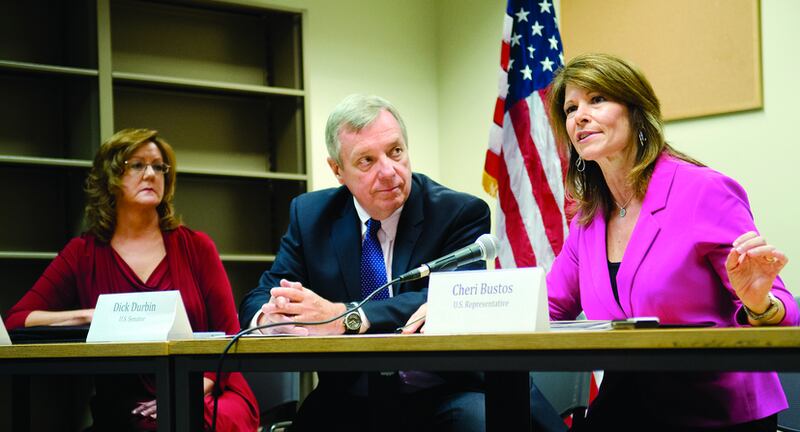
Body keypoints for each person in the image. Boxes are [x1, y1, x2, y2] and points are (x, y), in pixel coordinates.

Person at [542, 53, 798, 430]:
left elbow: (787, 312)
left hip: (716, 408)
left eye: (597, 100)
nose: (579, 116)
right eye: (571, 108)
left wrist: (761, 305)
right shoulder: (588, 220)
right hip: (629, 404)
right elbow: (544, 307)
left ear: (635, 112)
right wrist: (464, 311)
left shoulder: (703, 191)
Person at [238, 94, 491, 431]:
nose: (388, 172)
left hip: (443, 392)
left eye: (396, 152)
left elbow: (455, 297)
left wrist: (346, 317)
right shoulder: (310, 216)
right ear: (337, 170)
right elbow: (260, 295)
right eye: (367, 161)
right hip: (349, 397)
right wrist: (275, 315)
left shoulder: (458, 213)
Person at [4, 129, 260, 431]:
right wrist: (86, 316)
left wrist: (189, 391)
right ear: (111, 177)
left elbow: (230, 335)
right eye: (137, 165)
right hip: (129, 401)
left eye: (158, 166)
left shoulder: (196, 247)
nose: (150, 174)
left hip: (209, 388)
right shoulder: (83, 254)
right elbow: (17, 320)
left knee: (189, 419)